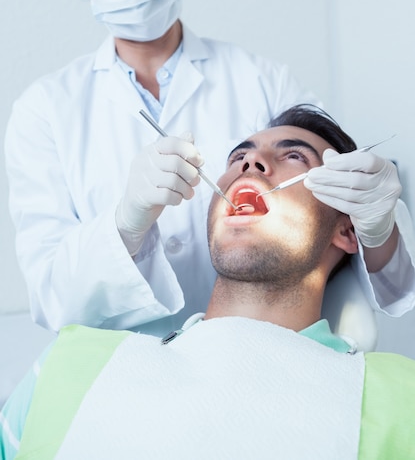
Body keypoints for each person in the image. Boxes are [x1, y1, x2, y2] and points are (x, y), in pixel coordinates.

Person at [4, 0, 415, 337]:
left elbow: (338, 229)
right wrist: (125, 224)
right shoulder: (45, 111)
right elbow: (51, 296)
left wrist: (377, 225)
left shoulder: (265, 81)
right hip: (119, 365)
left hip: (266, 349)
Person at [1, 105, 414, 460]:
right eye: (238, 157)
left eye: (294, 157)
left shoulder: (398, 397)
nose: (250, 165)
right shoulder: (69, 361)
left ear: (347, 229)